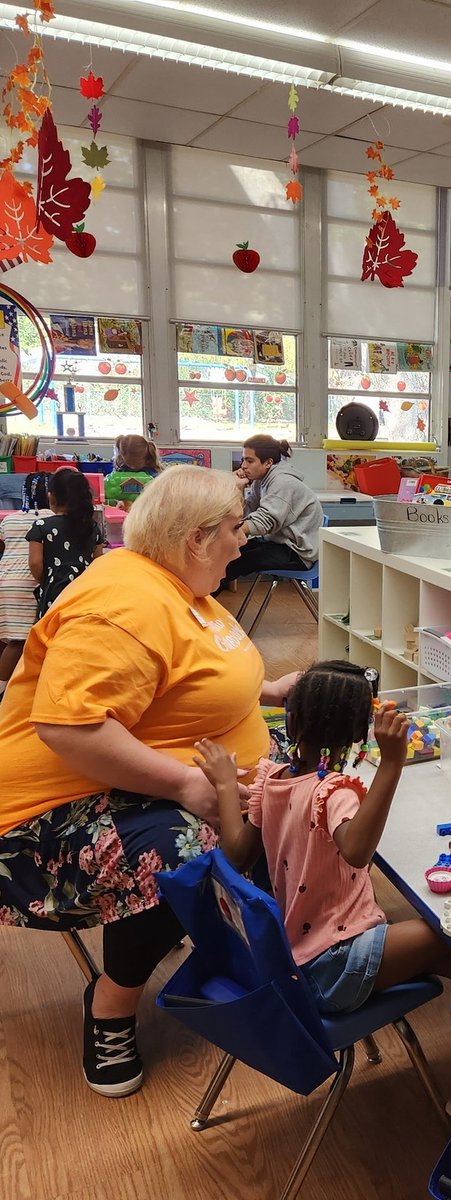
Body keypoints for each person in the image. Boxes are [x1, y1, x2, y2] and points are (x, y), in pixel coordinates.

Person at [0, 465, 297, 1097]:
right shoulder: (125, 603)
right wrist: (188, 787)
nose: (243, 540)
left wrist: (266, 691)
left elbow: (193, 667)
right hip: (39, 817)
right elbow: (70, 729)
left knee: (302, 781)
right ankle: (111, 1004)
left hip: (132, 775)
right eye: (236, 528)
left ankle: (252, 937)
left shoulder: (176, 580)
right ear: (196, 537)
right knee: (189, 845)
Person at [194, 660, 451, 1014]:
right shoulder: (333, 791)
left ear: (291, 720)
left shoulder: (272, 780)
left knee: (443, 955)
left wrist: (226, 785)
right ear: (357, 735)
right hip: (332, 964)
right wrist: (391, 764)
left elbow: (237, 856)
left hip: (294, 961)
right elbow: (357, 851)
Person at [221, 433, 323, 587]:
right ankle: (199, 605)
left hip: (297, 552)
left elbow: (263, 523)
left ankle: (199, 606)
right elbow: (246, 513)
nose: (243, 466)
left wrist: (224, 530)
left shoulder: (282, 483)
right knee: (226, 555)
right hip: (277, 543)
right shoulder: (260, 481)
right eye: (243, 460)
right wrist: (238, 488)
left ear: (268, 462)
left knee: (233, 561)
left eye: (249, 461)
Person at [27, 468, 105, 618]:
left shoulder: (41, 526)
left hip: (53, 590)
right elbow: (98, 563)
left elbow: (35, 563)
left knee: (50, 632)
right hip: (83, 590)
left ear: (51, 497)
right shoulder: (92, 528)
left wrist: (47, 579)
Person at [0, 471, 52, 690]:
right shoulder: (51, 519)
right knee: (20, 641)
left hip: (5, 581)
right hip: (28, 583)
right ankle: (3, 692)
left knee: (5, 639)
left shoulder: (10, 520)